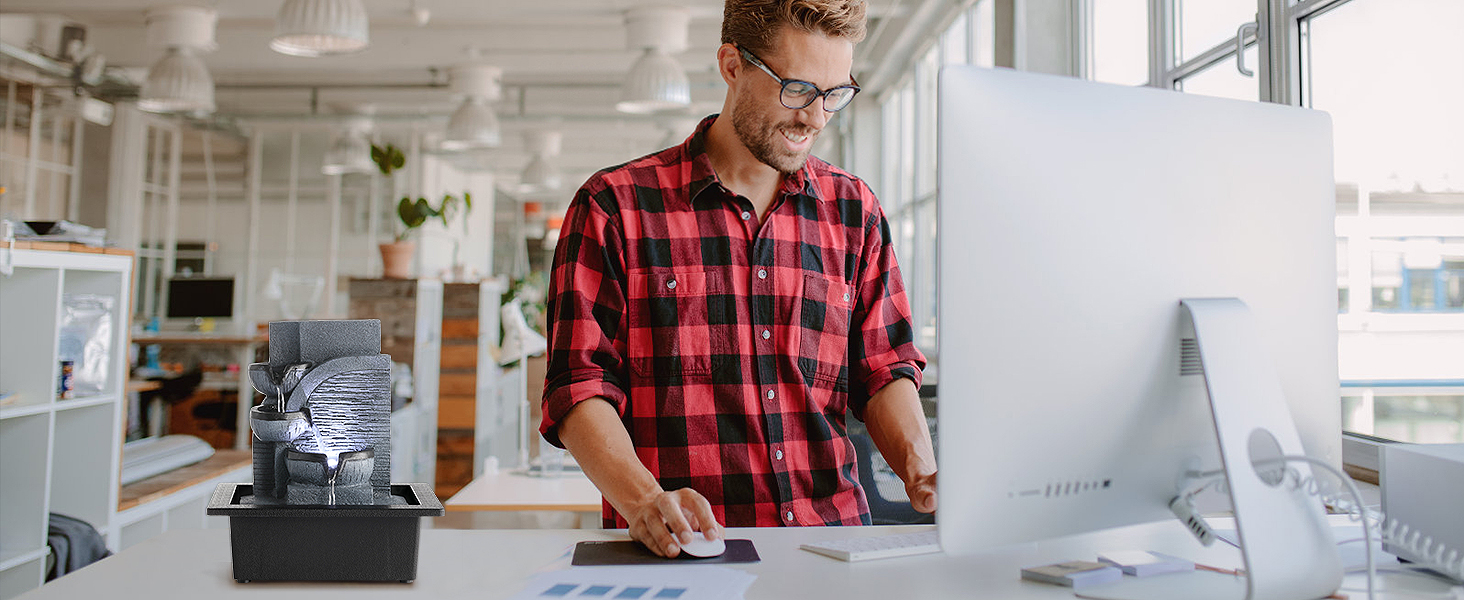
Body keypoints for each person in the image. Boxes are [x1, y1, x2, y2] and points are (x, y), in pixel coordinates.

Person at [539, 0, 935, 558]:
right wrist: (645, 501)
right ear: (732, 65)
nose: (816, 117)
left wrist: (923, 472)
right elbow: (578, 387)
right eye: (797, 89)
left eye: (834, 94)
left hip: (833, 546)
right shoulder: (616, 208)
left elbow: (883, 367)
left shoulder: (854, 210)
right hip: (685, 553)